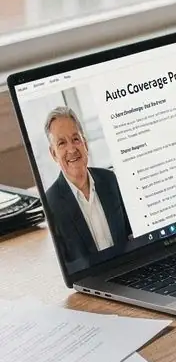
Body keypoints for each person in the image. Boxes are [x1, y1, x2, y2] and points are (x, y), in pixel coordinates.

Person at [44, 106, 131, 265]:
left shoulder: (111, 180)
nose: (71, 149)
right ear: (54, 154)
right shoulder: (51, 203)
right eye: (62, 143)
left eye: (76, 139)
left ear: (85, 143)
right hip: (92, 281)